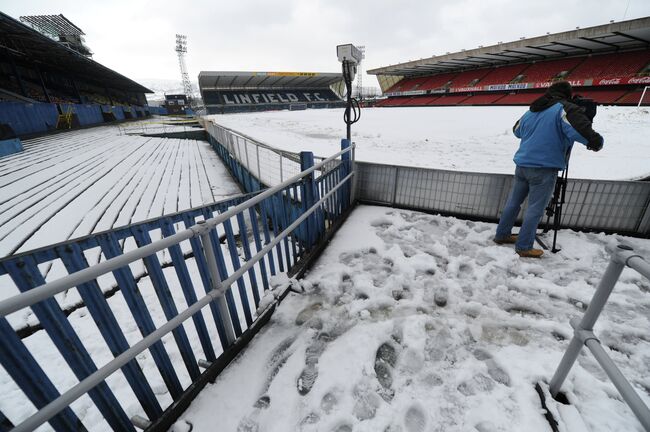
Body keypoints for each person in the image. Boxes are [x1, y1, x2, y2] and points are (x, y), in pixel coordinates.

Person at [493, 81, 603, 258]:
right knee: (535, 209)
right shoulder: (564, 109)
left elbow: (516, 130)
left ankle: (502, 235)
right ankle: (524, 246)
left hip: (522, 165)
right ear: (567, 94)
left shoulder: (533, 110)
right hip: (544, 168)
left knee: (513, 202)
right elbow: (580, 131)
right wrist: (596, 141)